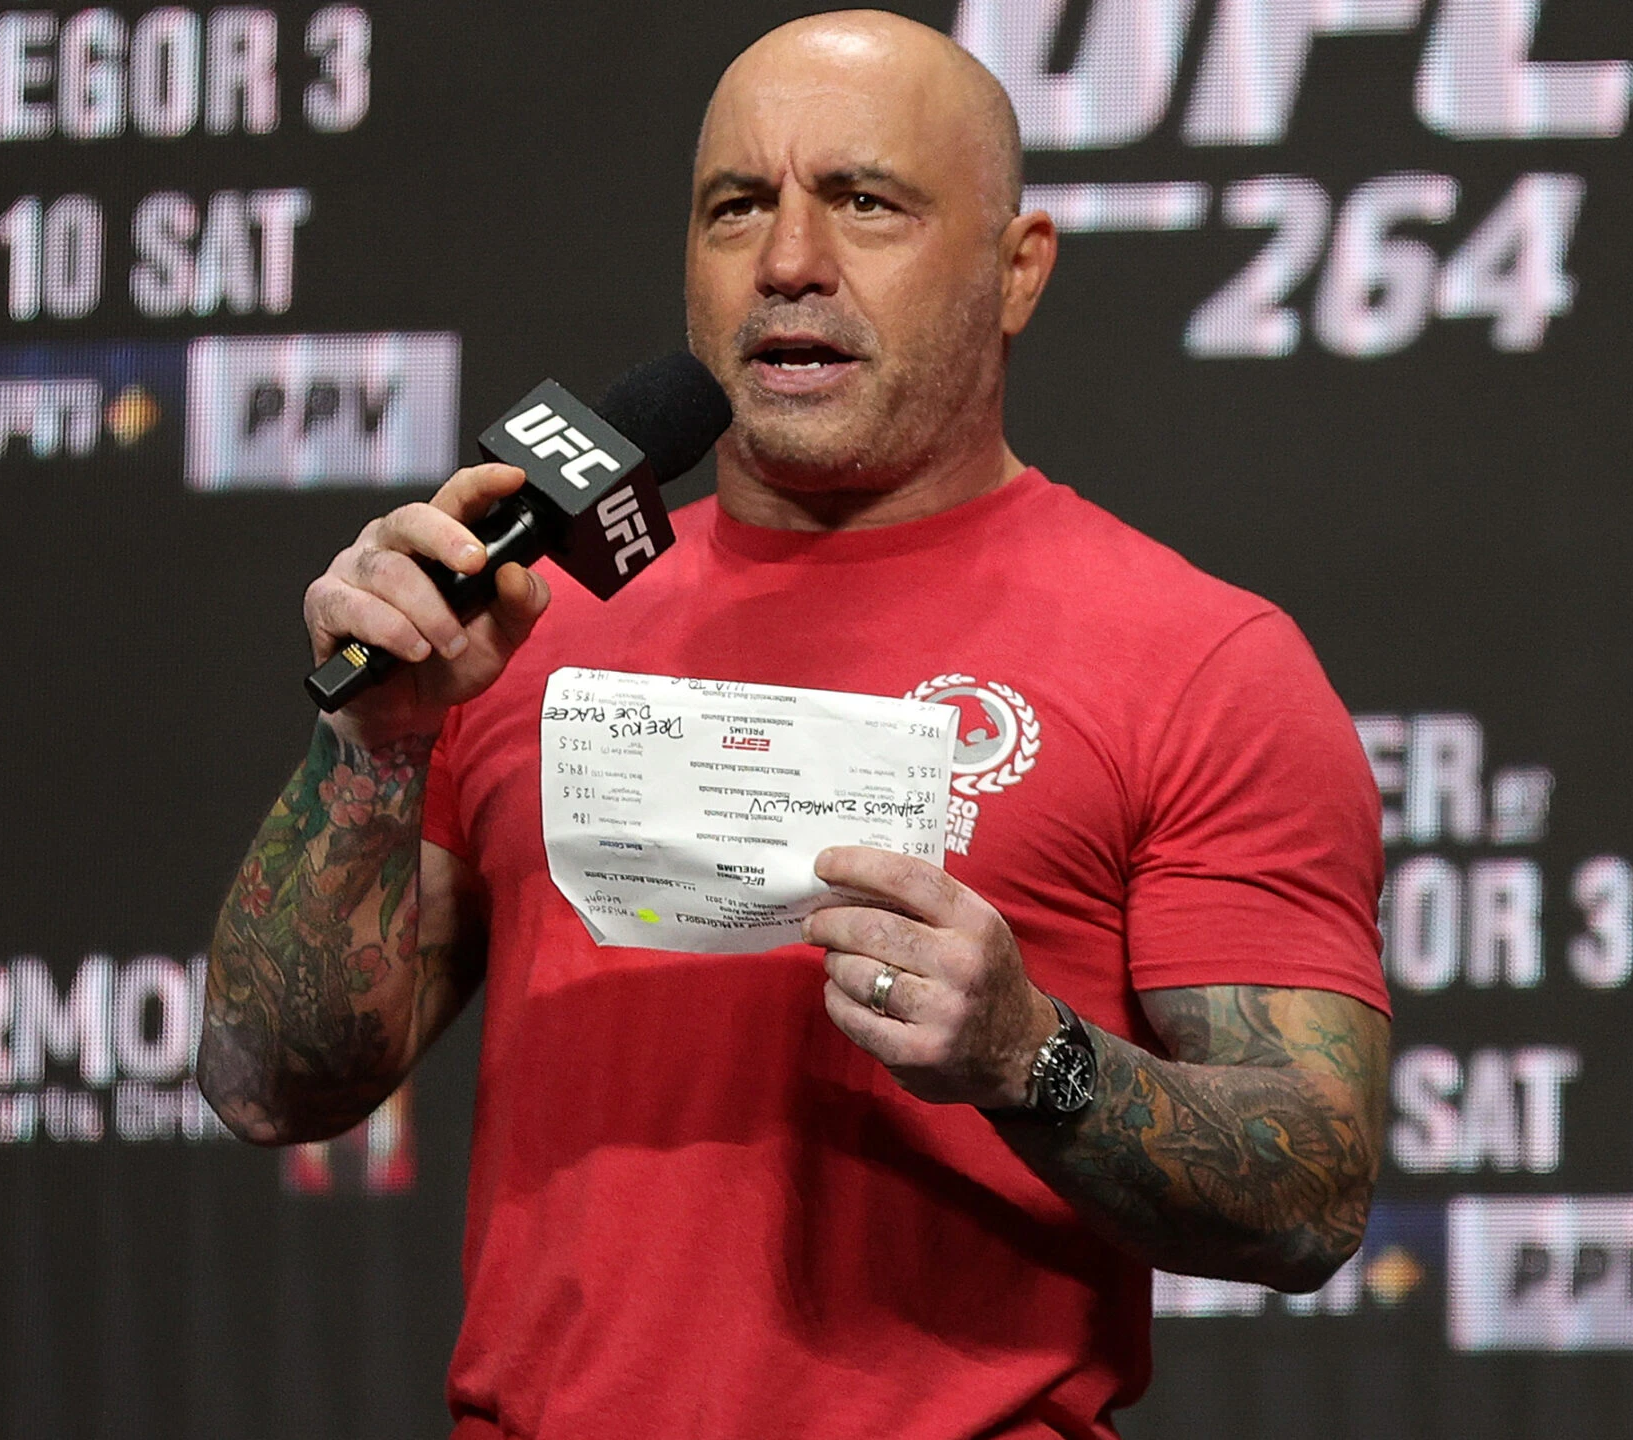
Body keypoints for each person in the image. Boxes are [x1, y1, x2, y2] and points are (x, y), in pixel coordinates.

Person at [198, 11, 1390, 1438]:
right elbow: (268, 1086)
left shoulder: (1200, 663)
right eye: (737, 207)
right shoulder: (518, 627)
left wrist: (1033, 1060)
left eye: (866, 202)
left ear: (1017, 271)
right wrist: (373, 745)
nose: (788, 264)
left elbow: (1313, 1191)